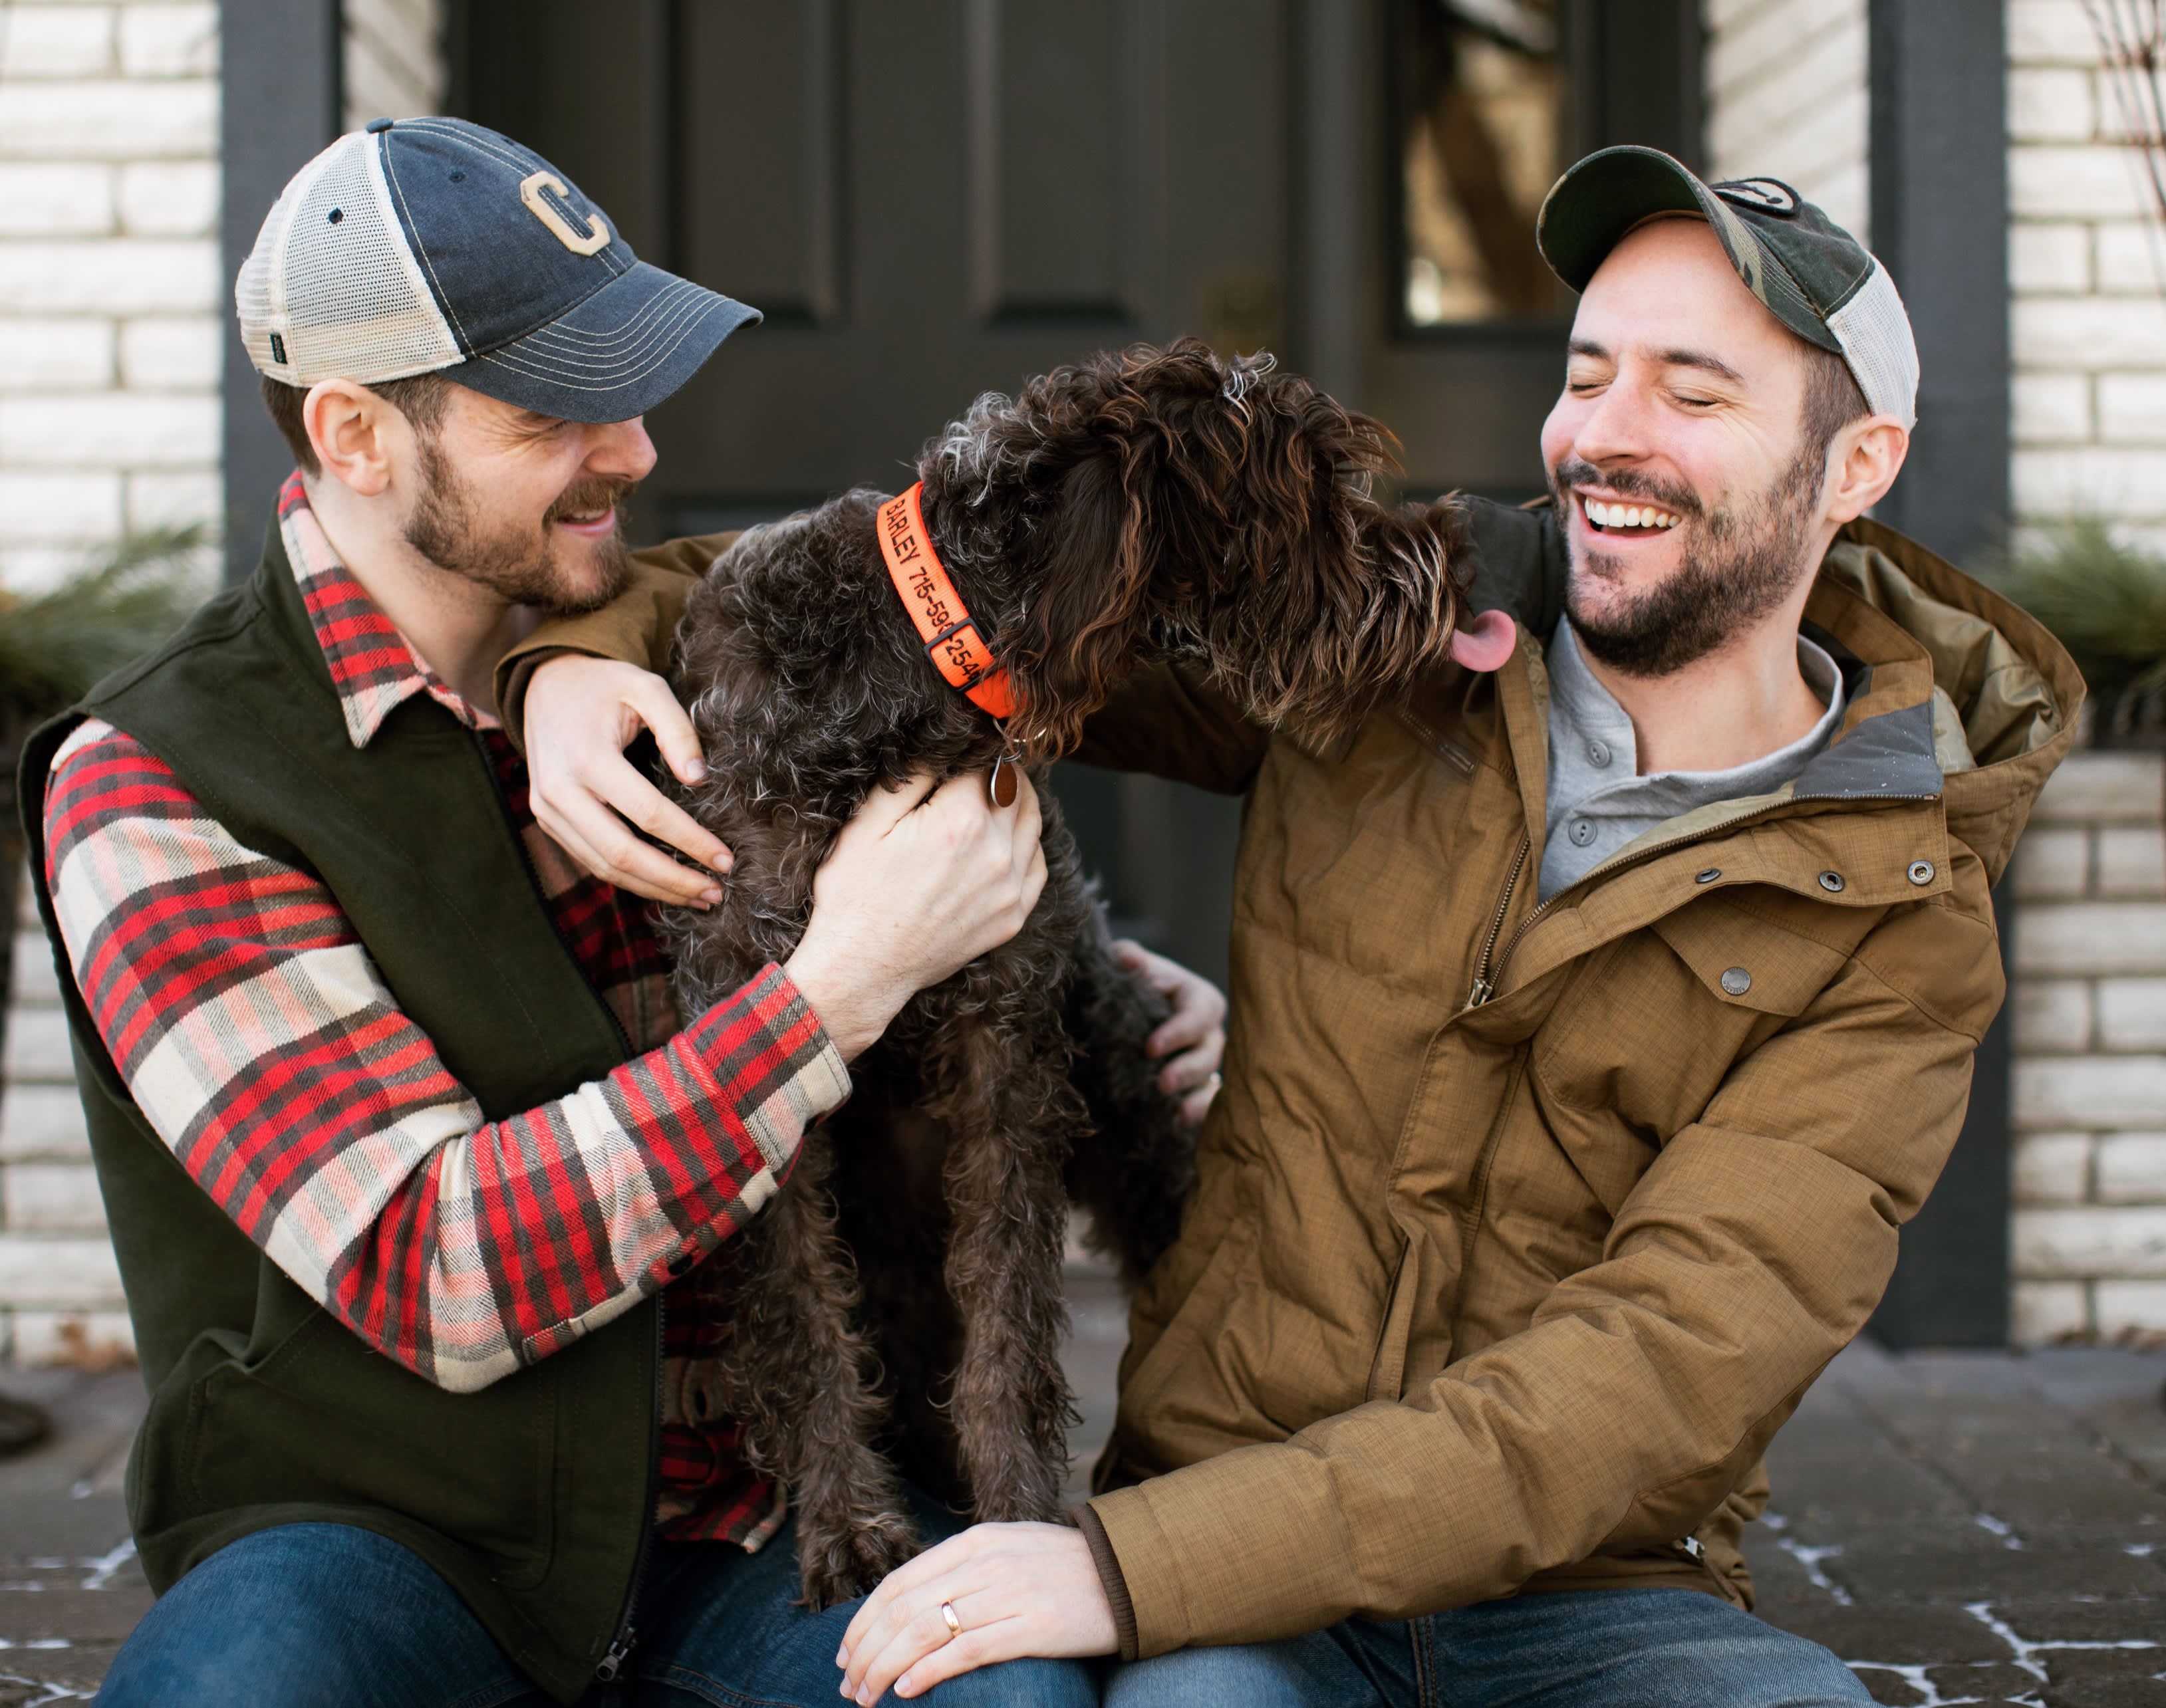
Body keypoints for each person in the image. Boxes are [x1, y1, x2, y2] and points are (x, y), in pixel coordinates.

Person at [516, 146, 2082, 1707]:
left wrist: (1128, 1569)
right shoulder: (1400, 650)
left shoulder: (1902, 917)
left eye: (1695, 391)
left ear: (1861, 463)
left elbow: (1654, 1376)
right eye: (1589, 367)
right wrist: (575, 663)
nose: (1605, 435)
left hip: (1585, 1595)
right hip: (1236, 1601)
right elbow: (895, 592)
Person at [21, 118, 1220, 1707]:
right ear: (357, 436)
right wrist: (845, 983)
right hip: (375, 1534)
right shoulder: (159, 784)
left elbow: (915, 918)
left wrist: (1085, 991)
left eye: (630, 388)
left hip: (765, 1516)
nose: (636, 450)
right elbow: (436, 1261)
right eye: (553, 412)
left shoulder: (687, 656)